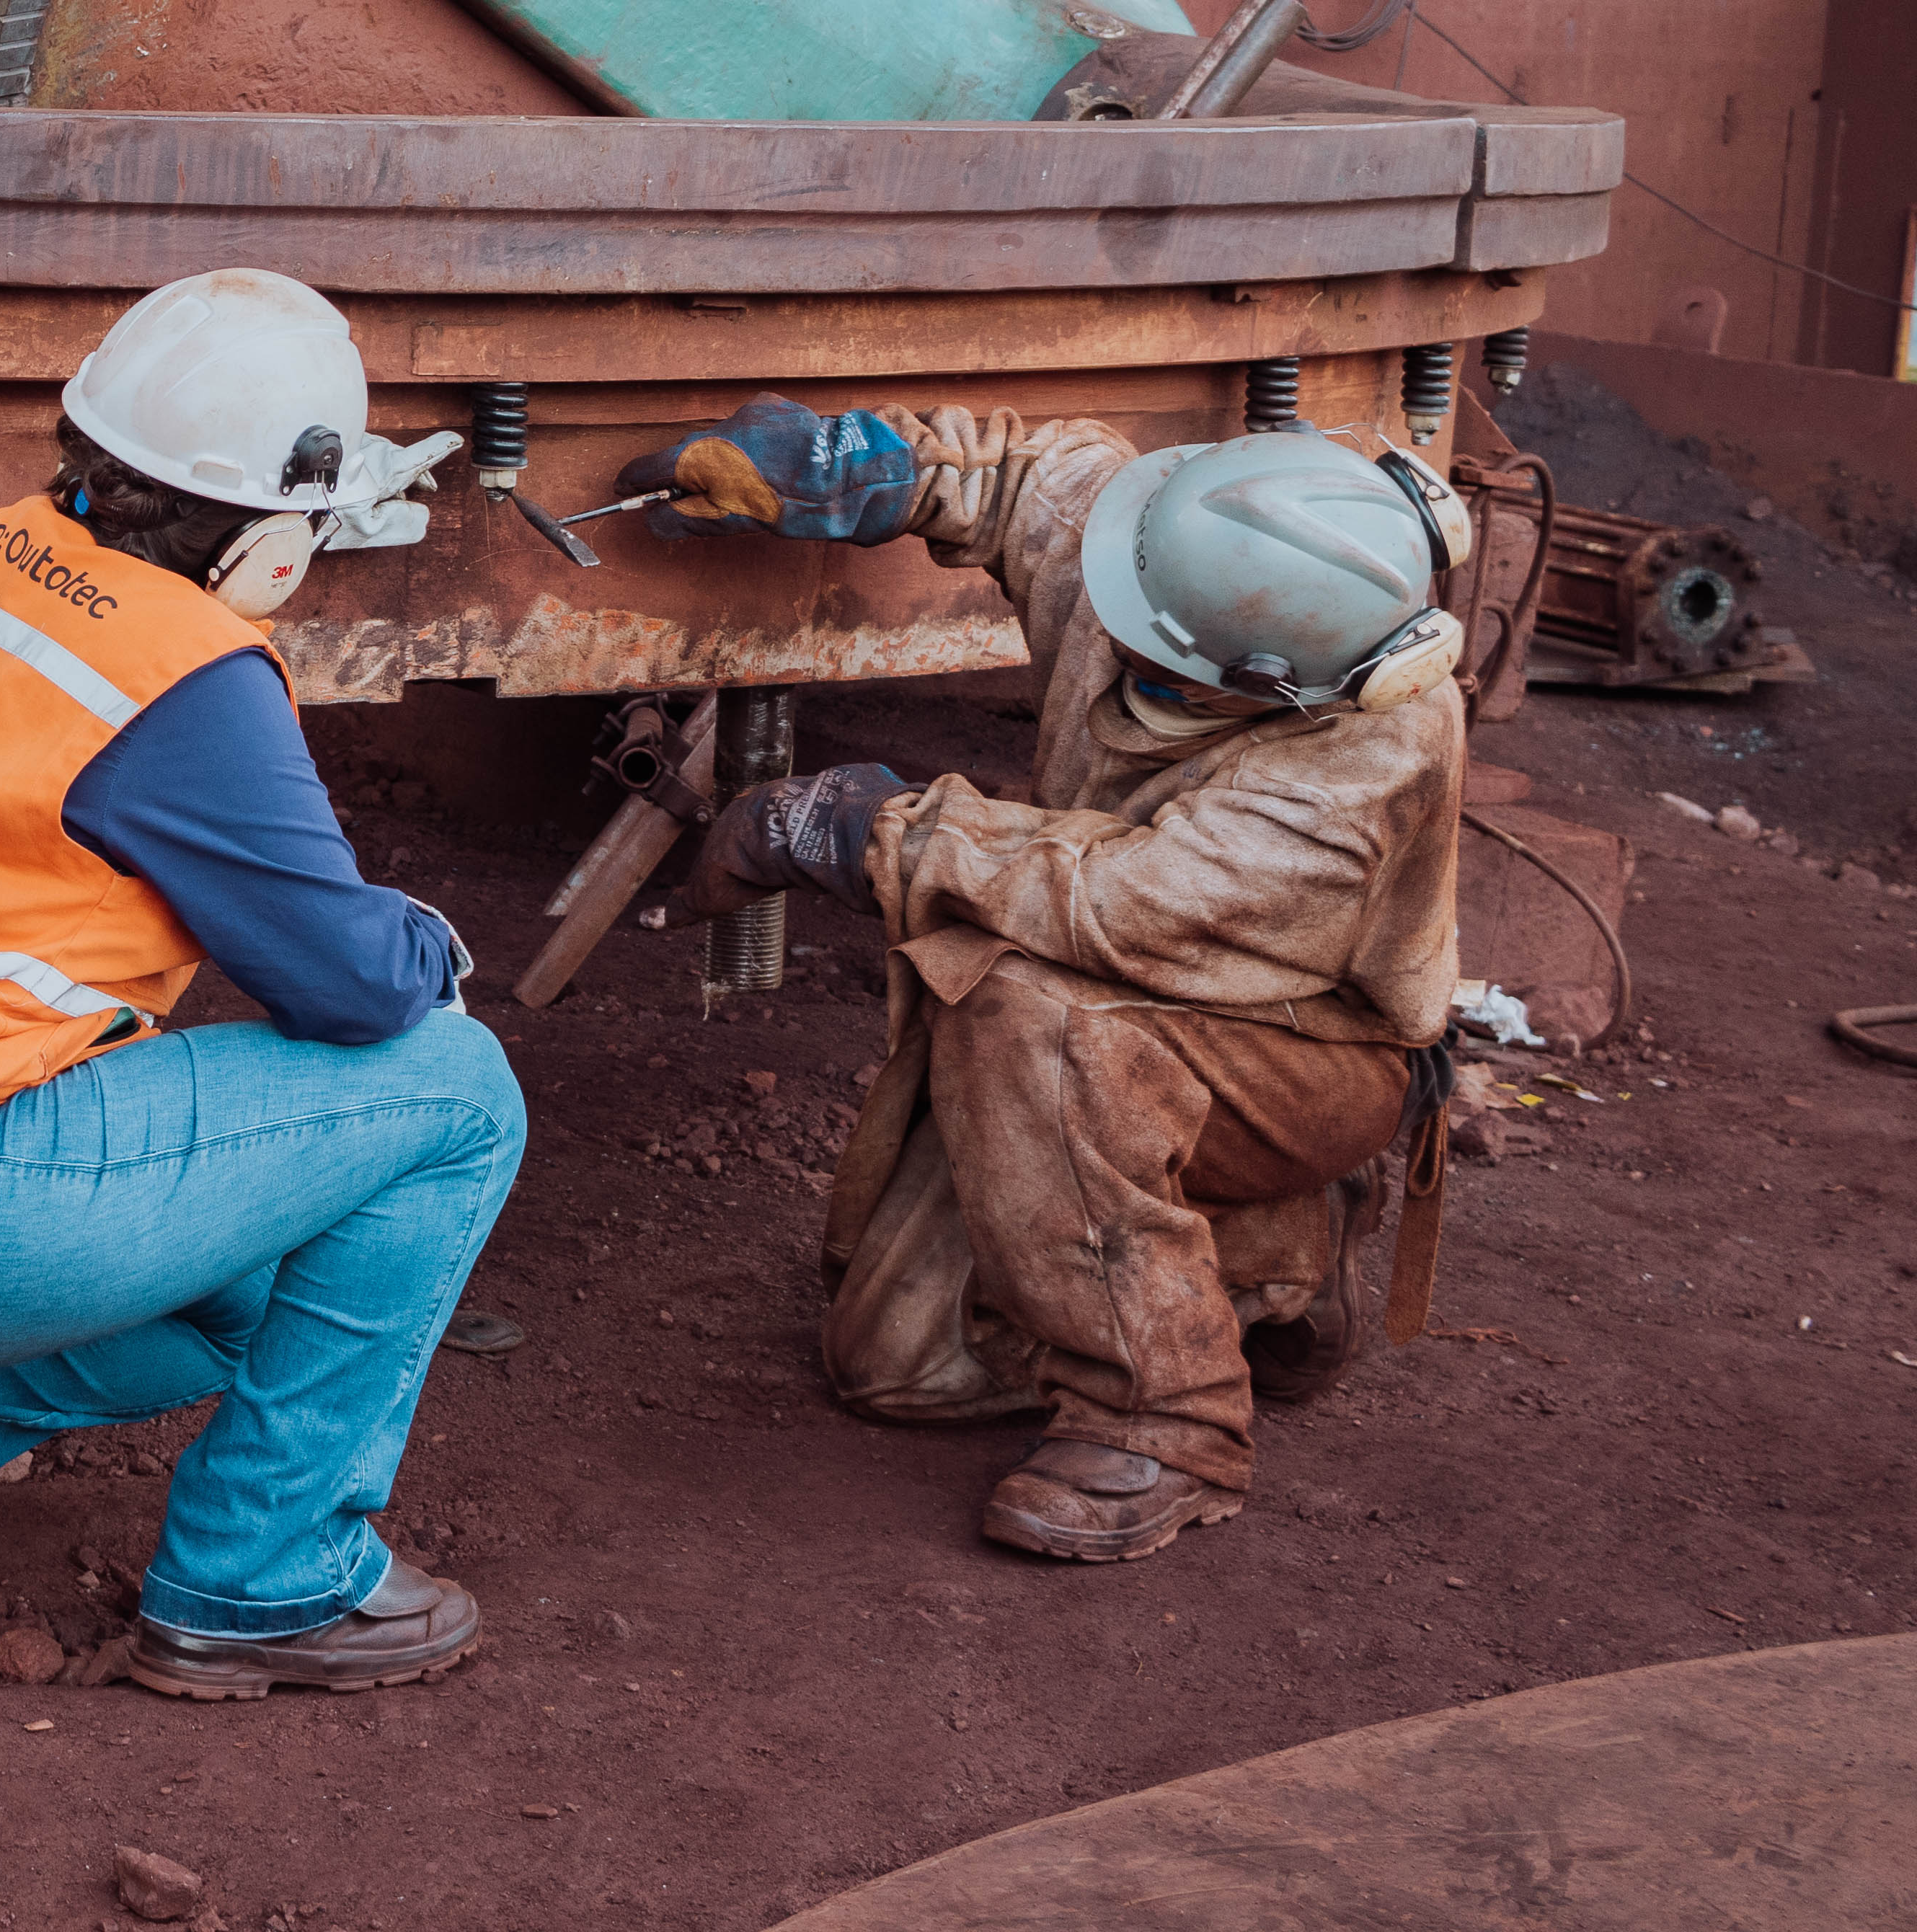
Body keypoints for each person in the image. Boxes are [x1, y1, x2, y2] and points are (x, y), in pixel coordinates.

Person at [0, 271, 528, 1698]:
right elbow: (355, 987)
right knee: (457, 1088)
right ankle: (267, 1579)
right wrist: (428, 935)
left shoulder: (3, 552)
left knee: (258, 1290)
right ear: (267, 544)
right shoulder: (184, 672)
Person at [618, 396, 1471, 1562]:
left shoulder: (1361, 766)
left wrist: (876, 831)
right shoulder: (1178, 566)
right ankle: (1257, 1263)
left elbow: (1122, 903)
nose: (1111, 638)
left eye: (1152, 650)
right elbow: (1037, 474)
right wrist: (866, 468)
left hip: (1305, 1051)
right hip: (1130, 994)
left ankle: (1167, 1422)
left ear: (1278, 683)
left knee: (1026, 1007)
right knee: (895, 1371)